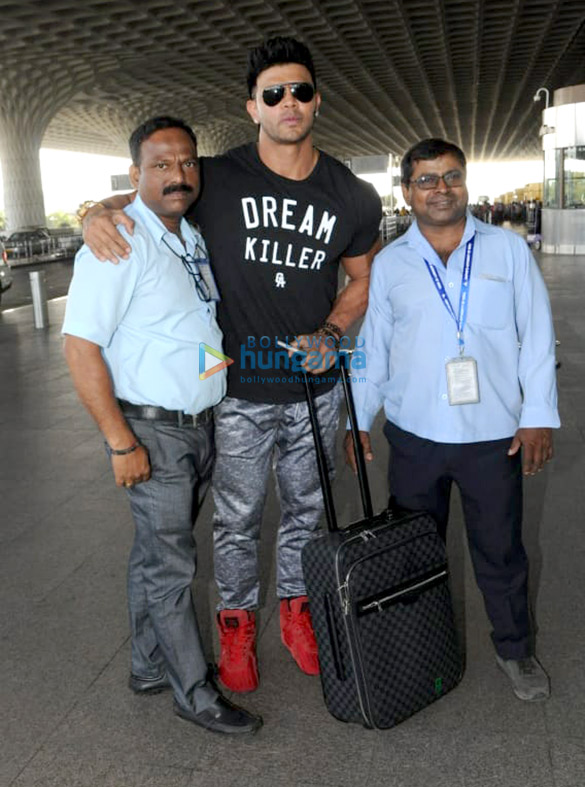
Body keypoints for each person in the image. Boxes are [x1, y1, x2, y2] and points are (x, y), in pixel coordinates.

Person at [81, 37, 382, 694]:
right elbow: (148, 192)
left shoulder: (352, 194)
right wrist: (91, 214)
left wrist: (334, 327)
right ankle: (236, 623)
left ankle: (298, 612)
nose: (288, 102)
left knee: (308, 507)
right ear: (252, 106)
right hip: (236, 386)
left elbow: (363, 277)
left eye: (300, 90)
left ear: (316, 99)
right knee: (236, 515)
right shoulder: (215, 175)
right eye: (273, 93)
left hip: (314, 390)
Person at [63, 116, 261, 734]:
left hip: (198, 425)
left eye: (186, 163)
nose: (177, 176)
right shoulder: (118, 242)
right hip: (152, 430)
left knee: (155, 552)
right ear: (135, 174)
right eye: (160, 165)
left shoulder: (185, 235)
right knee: (174, 562)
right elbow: (80, 347)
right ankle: (193, 692)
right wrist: (122, 442)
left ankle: (150, 663)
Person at [346, 138, 560, 702]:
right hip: (415, 436)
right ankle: (415, 647)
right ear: (407, 192)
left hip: (493, 437)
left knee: (501, 550)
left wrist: (537, 416)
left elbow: (536, 337)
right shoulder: (390, 264)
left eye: (451, 177)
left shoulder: (507, 253)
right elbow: (374, 348)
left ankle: (515, 649)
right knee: (415, 551)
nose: (441, 189)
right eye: (427, 180)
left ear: (465, 182)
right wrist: (358, 420)